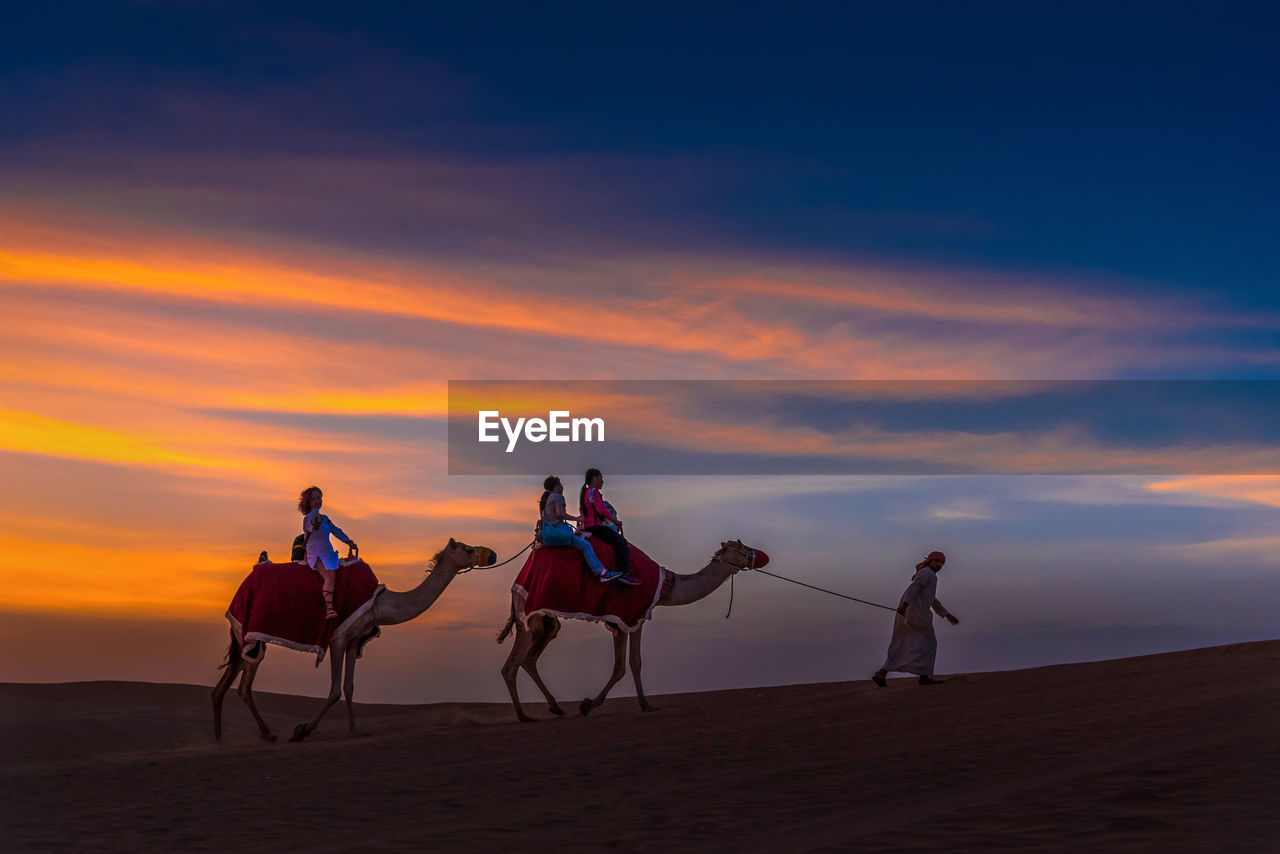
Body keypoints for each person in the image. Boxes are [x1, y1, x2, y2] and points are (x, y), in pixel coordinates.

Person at [872, 551, 959, 687]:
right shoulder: (926, 573)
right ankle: (923, 678)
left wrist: (946, 614)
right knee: (929, 644)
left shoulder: (928, 575)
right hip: (916, 614)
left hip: (911, 613)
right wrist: (905, 605)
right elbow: (914, 588)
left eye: (942, 562)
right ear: (930, 561)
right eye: (936, 561)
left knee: (903, 643)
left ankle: (882, 673)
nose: (939, 564)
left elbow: (931, 599)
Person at [538, 476, 623, 582]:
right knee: (585, 545)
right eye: (560, 485)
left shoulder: (545, 500)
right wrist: (576, 518)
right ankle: (602, 573)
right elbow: (560, 513)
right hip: (557, 533)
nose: (562, 487)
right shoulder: (557, 496)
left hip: (547, 535)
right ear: (556, 486)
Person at [298, 486, 357, 620]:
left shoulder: (325, 518)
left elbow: (336, 530)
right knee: (330, 576)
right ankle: (329, 608)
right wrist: (316, 525)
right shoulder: (308, 518)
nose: (317, 501)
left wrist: (348, 541)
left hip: (327, 551)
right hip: (316, 553)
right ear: (308, 502)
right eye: (313, 498)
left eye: (319, 498)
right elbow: (312, 527)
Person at [578, 468, 641, 586]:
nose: (603, 481)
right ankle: (624, 574)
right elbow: (602, 511)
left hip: (589, 527)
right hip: (596, 527)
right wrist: (616, 522)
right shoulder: (594, 492)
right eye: (601, 478)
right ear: (594, 478)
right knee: (621, 542)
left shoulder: (586, 493)